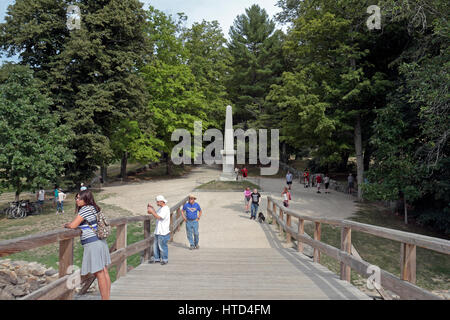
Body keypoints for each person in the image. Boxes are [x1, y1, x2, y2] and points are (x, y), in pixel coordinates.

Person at [63, 190, 111, 300]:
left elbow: (73, 225)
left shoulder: (85, 209)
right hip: (100, 241)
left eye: (79, 198)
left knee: (99, 273)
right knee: (104, 270)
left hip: (93, 243)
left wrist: (67, 225)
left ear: (86, 199)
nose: (76, 200)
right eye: (76, 198)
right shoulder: (94, 208)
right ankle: (107, 297)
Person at [148, 195, 171, 264]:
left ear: (162, 201)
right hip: (158, 230)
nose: (157, 203)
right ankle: (157, 258)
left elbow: (160, 217)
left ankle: (165, 259)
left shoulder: (165, 209)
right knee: (156, 246)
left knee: (162, 246)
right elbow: (156, 214)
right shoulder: (161, 208)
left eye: (158, 202)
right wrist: (152, 209)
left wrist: (152, 212)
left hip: (163, 231)